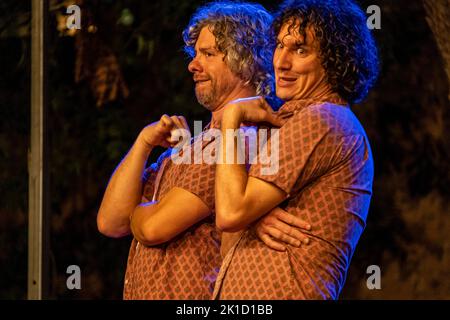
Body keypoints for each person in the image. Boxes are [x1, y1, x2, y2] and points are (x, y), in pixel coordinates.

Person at [97, 1, 310, 299]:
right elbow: (111, 222)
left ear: (246, 61)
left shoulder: (240, 142)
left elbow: (155, 227)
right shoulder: (194, 144)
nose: (192, 65)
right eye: (195, 53)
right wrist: (144, 144)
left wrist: (139, 211)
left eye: (208, 54)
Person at [213, 0, 379, 299]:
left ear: (335, 59)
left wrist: (231, 120)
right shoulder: (292, 122)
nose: (281, 62)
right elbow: (230, 233)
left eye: (300, 50)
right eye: (279, 46)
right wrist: (255, 217)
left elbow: (230, 212)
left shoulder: (322, 120)